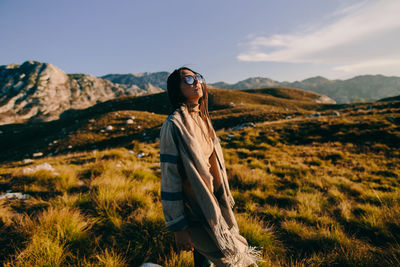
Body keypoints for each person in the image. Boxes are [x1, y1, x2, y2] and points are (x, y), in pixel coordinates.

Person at [160, 67, 261, 266]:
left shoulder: (202, 118)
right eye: (188, 79)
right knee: (231, 261)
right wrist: (178, 227)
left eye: (197, 77)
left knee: (206, 262)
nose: (196, 82)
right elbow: (169, 177)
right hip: (194, 211)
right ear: (176, 88)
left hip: (212, 206)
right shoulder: (174, 125)